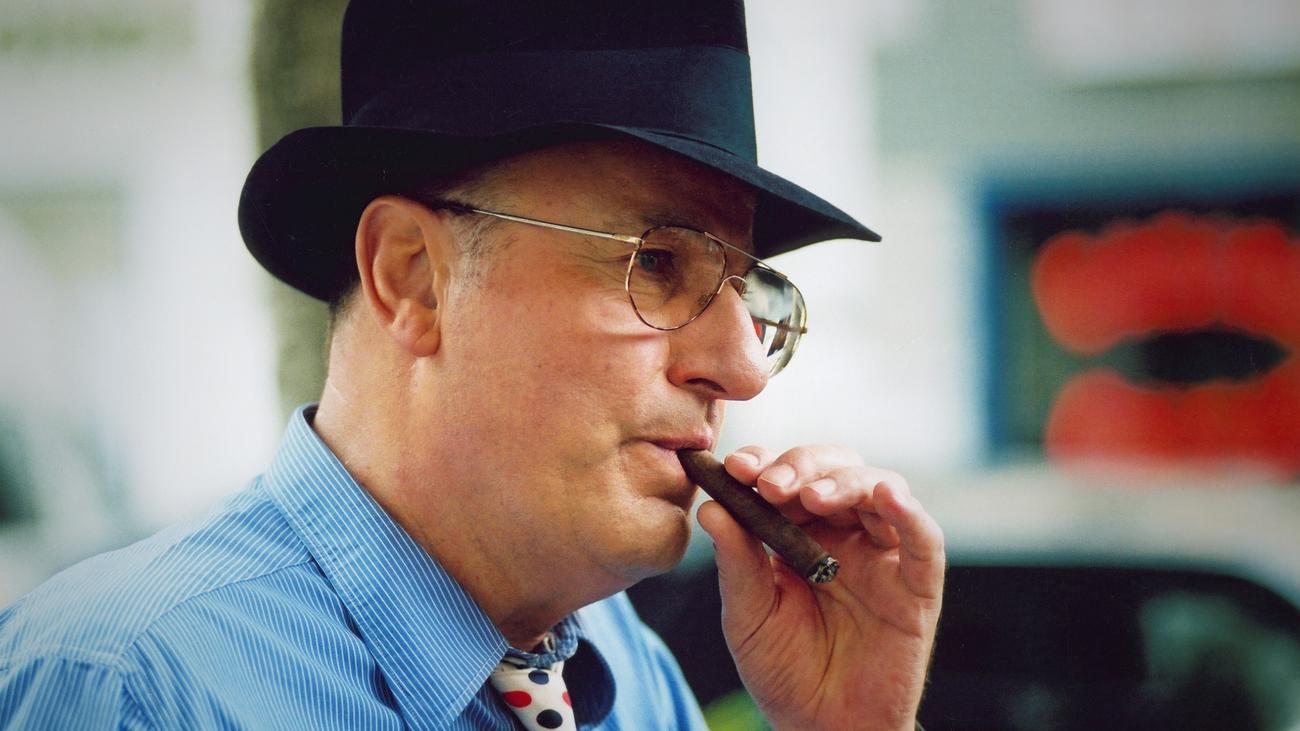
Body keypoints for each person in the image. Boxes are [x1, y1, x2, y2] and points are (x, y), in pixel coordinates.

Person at [0, 1, 944, 729]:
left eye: (749, 292)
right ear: (412, 278)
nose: (743, 369)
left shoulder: (627, 674)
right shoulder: (131, 687)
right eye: (657, 262)